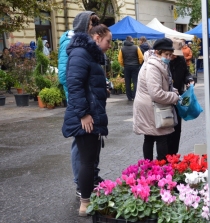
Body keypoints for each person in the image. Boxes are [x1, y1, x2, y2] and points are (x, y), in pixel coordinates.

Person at [62, 24, 112, 216]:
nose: (109, 45)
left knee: (89, 161)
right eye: (108, 41)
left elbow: (86, 83)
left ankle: (87, 200)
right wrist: (84, 114)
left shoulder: (86, 54)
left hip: (91, 114)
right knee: (87, 161)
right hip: (85, 117)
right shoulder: (80, 53)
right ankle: (84, 204)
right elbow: (74, 85)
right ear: (97, 37)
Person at [58, 11, 103, 198]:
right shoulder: (72, 44)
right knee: (81, 142)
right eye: (92, 24)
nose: (94, 28)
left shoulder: (87, 46)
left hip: (87, 99)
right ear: (84, 26)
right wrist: (80, 106)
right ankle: (80, 182)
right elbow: (66, 77)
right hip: (79, 101)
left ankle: (91, 177)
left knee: (91, 142)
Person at [133, 38, 180, 161]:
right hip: (151, 106)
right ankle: (160, 168)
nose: (169, 57)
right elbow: (157, 93)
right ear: (158, 52)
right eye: (166, 54)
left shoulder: (157, 63)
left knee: (150, 137)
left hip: (150, 105)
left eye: (170, 54)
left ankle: (149, 168)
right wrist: (174, 97)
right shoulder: (153, 66)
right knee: (161, 137)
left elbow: (162, 85)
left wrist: (172, 90)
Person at [168, 38, 194, 155]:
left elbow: (186, 73)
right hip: (166, 98)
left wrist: (189, 79)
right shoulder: (164, 62)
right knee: (166, 127)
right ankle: (165, 156)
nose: (174, 57)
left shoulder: (181, 59)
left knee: (177, 127)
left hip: (178, 97)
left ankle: (174, 154)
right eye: (173, 54)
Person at [118, 36, 144, 101]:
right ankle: (135, 95)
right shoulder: (136, 47)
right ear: (131, 40)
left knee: (127, 82)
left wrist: (124, 65)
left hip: (127, 67)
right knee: (135, 81)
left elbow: (120, 59)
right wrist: (139, 63)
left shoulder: (122, 49)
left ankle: (129, 97)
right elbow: (141, 57)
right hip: (135, 66)